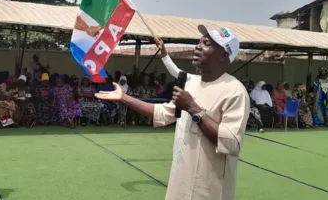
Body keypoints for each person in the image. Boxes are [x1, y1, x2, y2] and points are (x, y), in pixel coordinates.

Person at [96, 25, 249, 200]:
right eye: (199, 42)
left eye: (206, 43)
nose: (198, 46)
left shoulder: (235, 91)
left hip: (209, 191)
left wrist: (193, 109)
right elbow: (161, 112)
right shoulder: (191, 84)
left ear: (224, 55)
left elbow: (231, 143)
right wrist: (124, 98)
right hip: (179, 186)